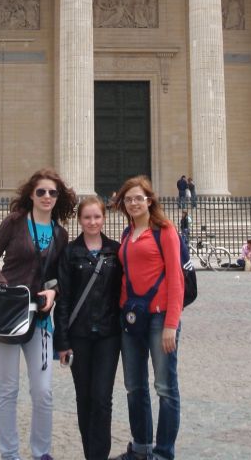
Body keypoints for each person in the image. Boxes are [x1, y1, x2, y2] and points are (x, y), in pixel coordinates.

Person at [0, 168, 76, 460]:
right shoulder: (14, 222)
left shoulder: (61, 234)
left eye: (52, 192)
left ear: (58, 197)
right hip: (8, 316)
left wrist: (54, 292)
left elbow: (60, 276)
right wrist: (2, 283)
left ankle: (41, 452)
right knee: (8, 388)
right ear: (31, 195)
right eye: (41, 191)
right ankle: (9, 453)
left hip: (40, 319)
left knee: (43, 392)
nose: (47, 196)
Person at [110, 175, 184, 460]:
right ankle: (141, 449)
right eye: (128, 199)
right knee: (134, 386)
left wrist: (171, 324)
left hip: (159, 318)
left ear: (149, 200)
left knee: (165, 387)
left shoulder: (165, 230)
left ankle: (163, 453)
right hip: (132, 318)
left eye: (138, 198)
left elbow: (176, 279)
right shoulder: (127, 234)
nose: (133, 203)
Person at [54, 195, 122, 460]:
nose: (92, 222)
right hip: (79, 335)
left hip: (108, 334)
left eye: (97, 216)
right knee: (84, 398)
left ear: (104, 218)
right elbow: (63, 300)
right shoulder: (70, 253)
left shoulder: (115, 250)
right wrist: (62, 342)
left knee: (102, 399)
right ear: (79, 220)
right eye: (87, 217)